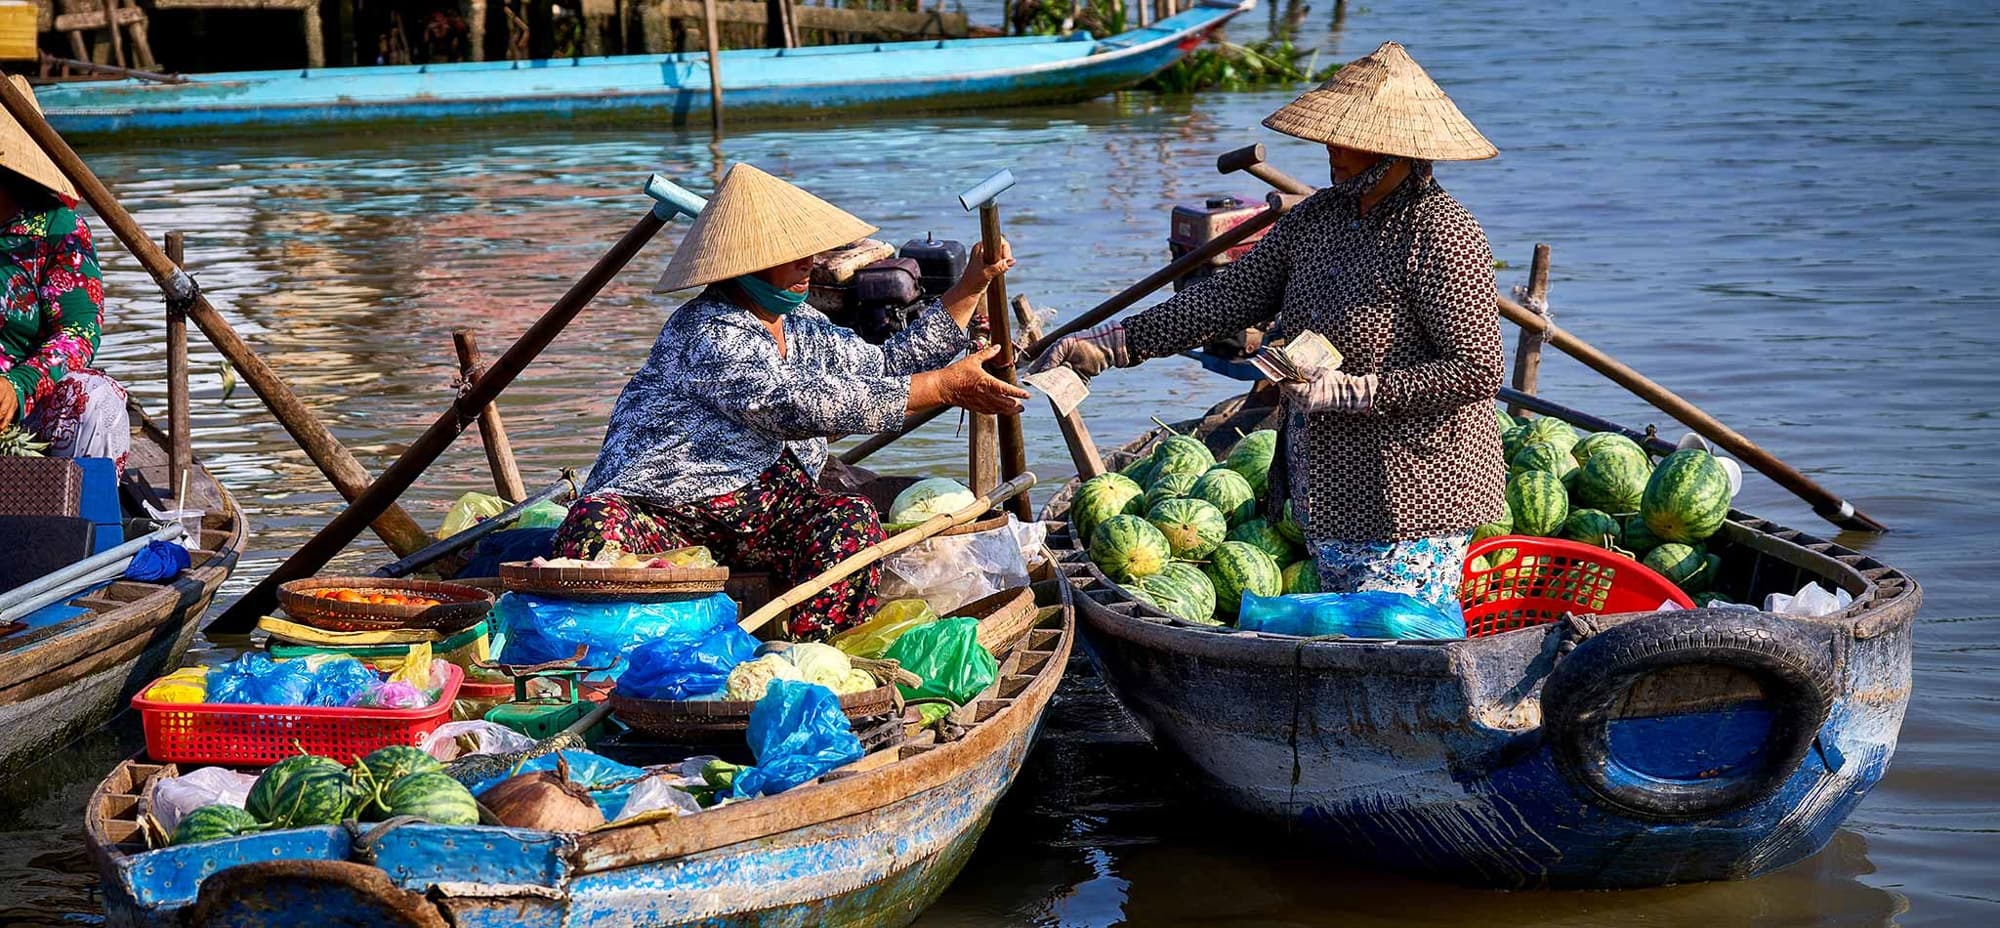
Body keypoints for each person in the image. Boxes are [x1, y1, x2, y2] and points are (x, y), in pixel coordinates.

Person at [1032, 42, 1505, 612]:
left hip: (1414, 488)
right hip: (1327, 480)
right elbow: (1225, 298)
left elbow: (1478, 368)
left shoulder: (1442, 235)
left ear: (1395, 152)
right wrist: (1113, 345)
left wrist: (1352, 391)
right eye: (1332, 137)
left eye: (1352, 142)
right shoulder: (1317, 219)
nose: (1334, 152)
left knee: (1393, 638)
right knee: (1345, 637)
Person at [554, 163, 1028, 639]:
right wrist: (943, 387)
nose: (808, 262)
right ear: (746, 266)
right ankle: (607, 665)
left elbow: (890, 365)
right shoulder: (706, 329)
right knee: (593, 525)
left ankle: (798, 651)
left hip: (763, 514)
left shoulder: (803, 326)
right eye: (791, 254)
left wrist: (972, 285)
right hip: (663, 511)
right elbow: (795, 406)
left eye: (808, 252)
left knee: (849, 521)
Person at [0, 76, 127, 472]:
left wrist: (17, 386)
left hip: (23, 410)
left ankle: (81, 527)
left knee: (95, 400)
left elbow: (78, 332)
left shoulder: (58, 228)